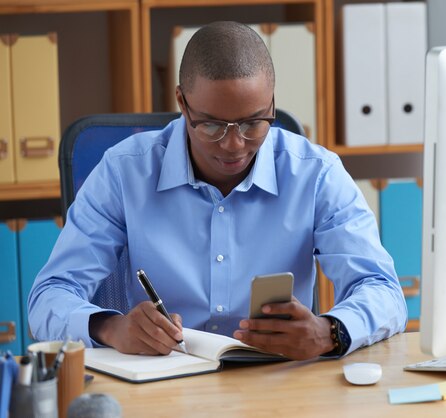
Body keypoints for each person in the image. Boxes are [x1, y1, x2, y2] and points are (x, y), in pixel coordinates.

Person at [28, 21, 407, 360]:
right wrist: (110, 328)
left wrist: (330, 332)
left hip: (279, 386)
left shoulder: (316, 174)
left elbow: (383, 291)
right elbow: (49, 297)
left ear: (272, 104)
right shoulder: (123, 172)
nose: (233, 145)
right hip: (163, 386)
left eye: (253, 123)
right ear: (182, 103)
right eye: (211, 125)